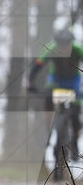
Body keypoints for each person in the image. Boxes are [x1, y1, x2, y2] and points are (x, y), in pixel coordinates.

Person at [28, 28, 83, 158]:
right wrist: (30, 82)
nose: (64, 49)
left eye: (67, 45)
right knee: (48, 98)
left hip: (74, 82)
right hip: (56, 81)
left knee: (75, 114)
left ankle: (74, 142)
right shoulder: (50, 49)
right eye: (61, 46)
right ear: (57, 43)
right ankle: (48, 131)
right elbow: (37, 65)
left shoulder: (78, 49)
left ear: (71, 43)